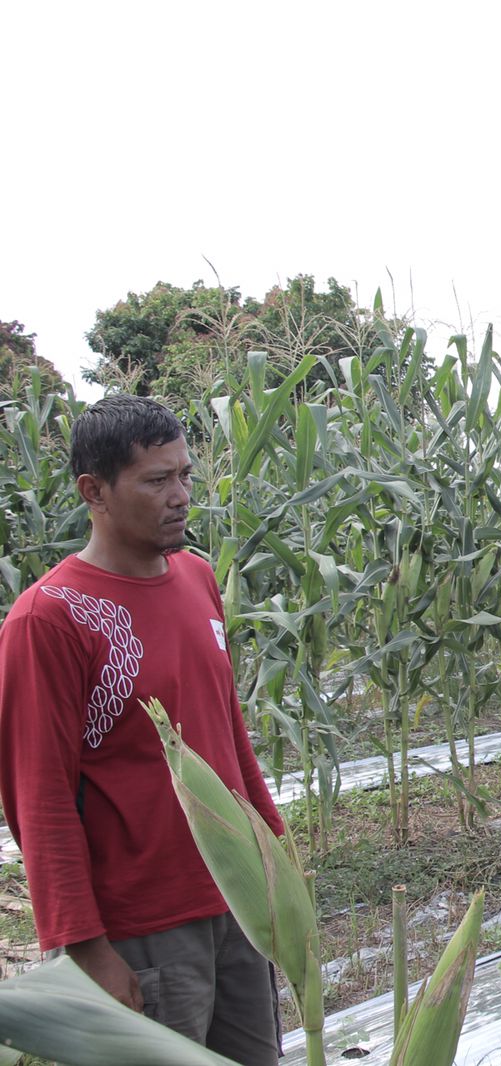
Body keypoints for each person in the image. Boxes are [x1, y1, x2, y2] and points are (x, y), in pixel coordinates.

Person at [0, 395, 283, 1064]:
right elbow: (37, 800)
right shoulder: (49, 619)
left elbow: (226, 732)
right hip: (144, 931)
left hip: (238, 901)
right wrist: (88, 948)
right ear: (92, 491)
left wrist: (276, 856)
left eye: (185, 474)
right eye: (156, 481)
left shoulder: (197, 578)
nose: (180, 495)